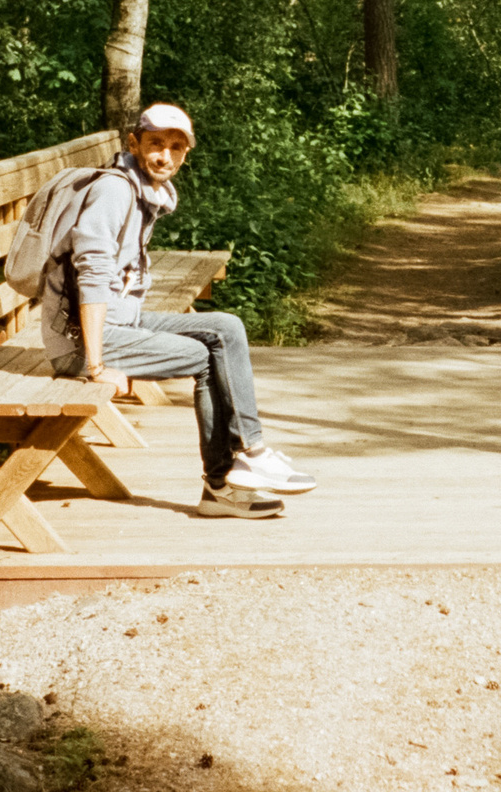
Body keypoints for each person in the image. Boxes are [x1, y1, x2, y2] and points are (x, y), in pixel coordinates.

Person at [39, 103, 315, 520]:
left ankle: (247, 456)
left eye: (175, 147)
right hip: (82, 339)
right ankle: (225, 479)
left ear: (186, 153)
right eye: (154, 144)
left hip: (119, 323)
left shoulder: (142, 188)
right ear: (133, 144)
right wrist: (95, 368)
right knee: (203, 357)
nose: (164, 155)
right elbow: (92, 274)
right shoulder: (115, 190)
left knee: (225, 327)